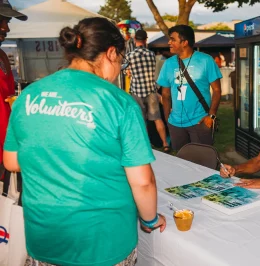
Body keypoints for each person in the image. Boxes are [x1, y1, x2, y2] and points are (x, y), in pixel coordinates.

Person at [3, 17, 166, 266]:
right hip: (104, 243)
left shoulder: (29, 95)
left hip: (45, 239)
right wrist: (150, 220)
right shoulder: (119, 102)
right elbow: (143, 182)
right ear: (111, 53)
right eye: (121, 61)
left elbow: (12, 161)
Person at [158, 25, 222, 151]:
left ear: (185, 42)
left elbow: (217, 90)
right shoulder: (168, 64)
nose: (169, 42)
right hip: (175, 123)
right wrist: (168, 120)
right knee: (182, 162)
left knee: (203, 161)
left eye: (173, 39)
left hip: (200, 122)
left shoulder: (205, 60)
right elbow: (165, 94)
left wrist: (212, 115)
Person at [125, 29, 170, 152]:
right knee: (157, 118)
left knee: (141, 120)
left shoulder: (130, 56)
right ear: (145, 40)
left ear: (135, 40)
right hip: (151, 90)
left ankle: (147, 145)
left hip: (137, 91)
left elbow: (126, 71)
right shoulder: (151, 55)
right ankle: (165, 143)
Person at [0, 2, 27, 179]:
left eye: (7, 21)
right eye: (1, 20)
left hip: (6, 149)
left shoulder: (2, 55)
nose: (6, 28)